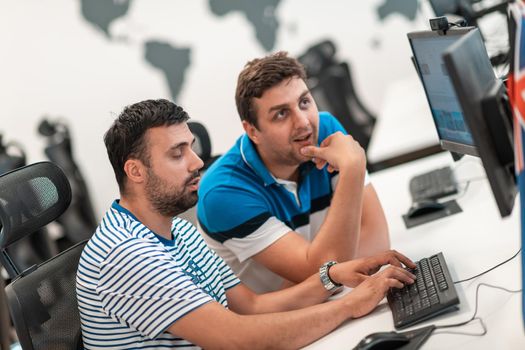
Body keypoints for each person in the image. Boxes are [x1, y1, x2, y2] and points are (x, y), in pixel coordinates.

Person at [76, 99, 416, 349]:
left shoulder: (177, 230)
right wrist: (349, 305)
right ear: (135, 171)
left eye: (191, 148)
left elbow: (251, 306)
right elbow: (238, 338)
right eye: (178, 153)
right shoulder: (126, 254)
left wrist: (331, 277)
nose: (197, 162)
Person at [197, 52, 390, 293]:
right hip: (283, 321)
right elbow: (327, 274)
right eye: (281, 113)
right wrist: (352, 168)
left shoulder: (325, 130)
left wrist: (325, 270)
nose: (304, 123)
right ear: (252, 130)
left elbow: (377, 239)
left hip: (332, 303)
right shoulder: (223, 192)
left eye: (304, 102)